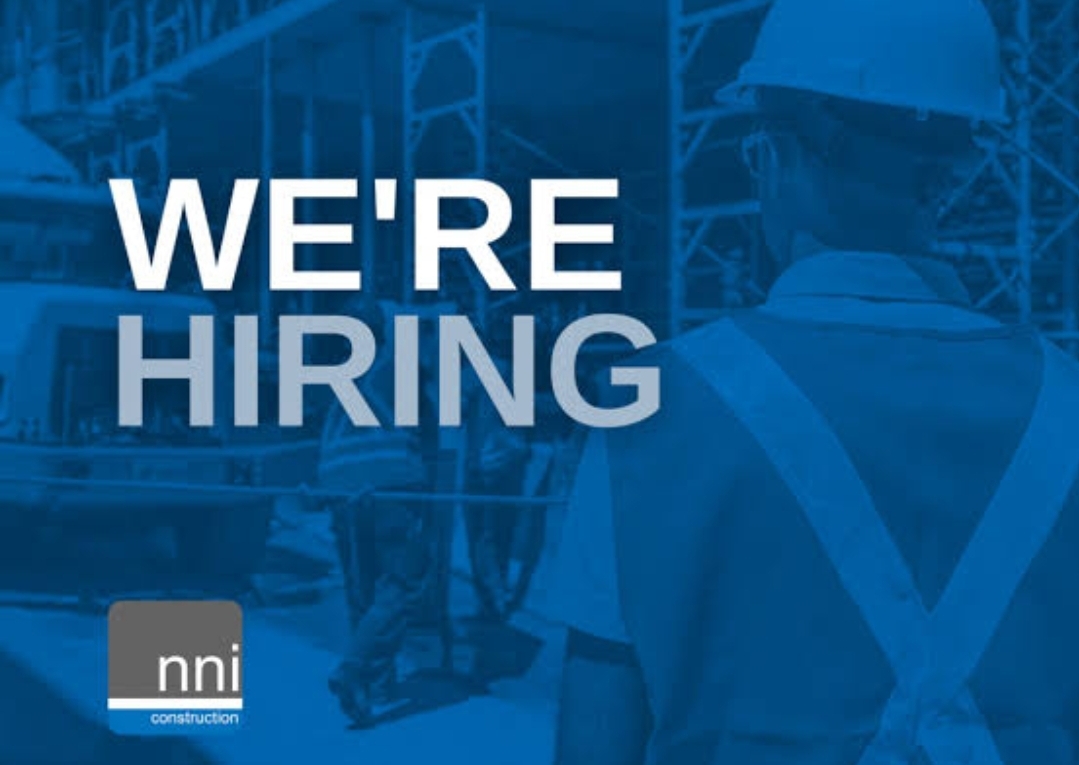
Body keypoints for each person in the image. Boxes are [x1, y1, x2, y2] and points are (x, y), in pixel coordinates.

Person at [549, 2, 1079, 764]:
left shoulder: (649, 407)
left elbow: (595, 738)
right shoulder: (1065, 405)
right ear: (955, 170)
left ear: (780, 154)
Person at [319, 298, 438, 727]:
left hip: (340, 490)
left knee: (362, 590)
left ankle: (374, 687)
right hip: (391, 485)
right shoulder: (399, 367)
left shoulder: (338, 379)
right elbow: (428, 429)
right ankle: (354, 670)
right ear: (383, 333)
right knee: (401, 585)